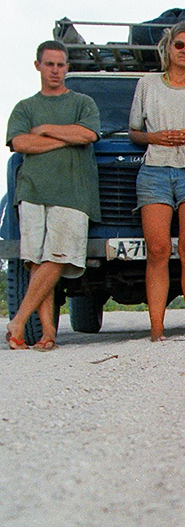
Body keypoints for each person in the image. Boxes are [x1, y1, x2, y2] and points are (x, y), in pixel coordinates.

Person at [5, 40, 100, 350]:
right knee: (36, 261)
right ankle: (47, 333)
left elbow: (87, 134)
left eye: (61, 65)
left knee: (56, 257)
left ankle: (18, 320)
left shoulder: (82, 103)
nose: (55, 70)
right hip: (32, 189)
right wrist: (64, 138)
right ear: (38, 66)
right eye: (49, 64)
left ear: (67, 68)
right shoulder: (25, 107)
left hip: (72, 192)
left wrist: (45, 129)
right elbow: (20, 143)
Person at [128, 21, 185, 342]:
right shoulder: (148, 83)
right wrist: (154, 137)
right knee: (158, 249)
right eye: (179, 45)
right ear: (168, 47)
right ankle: (157, 330)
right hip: (155, 168)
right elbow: (134, 131)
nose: (184, 51)